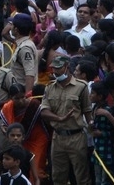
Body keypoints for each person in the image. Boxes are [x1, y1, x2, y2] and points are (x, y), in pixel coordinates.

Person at [38, 56, 91, 185]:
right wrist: (59, 118)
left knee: (82, 176)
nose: (55, 71)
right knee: (58, 176)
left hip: (76, 137)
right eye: (53, 68)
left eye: (58, 68)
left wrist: (91, 127)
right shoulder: (49, 88)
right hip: (58, 137)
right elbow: (44, 111)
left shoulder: (81, 86)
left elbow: (87, 111)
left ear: (66, 67)